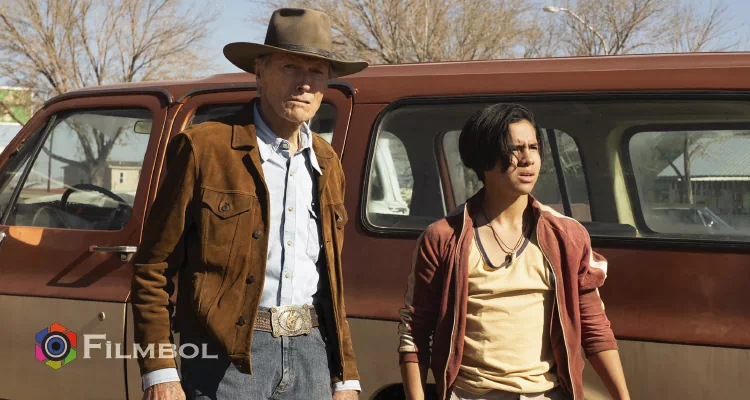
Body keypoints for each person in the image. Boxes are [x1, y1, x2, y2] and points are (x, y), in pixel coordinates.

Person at [130, 8, 368, 400]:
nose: (305, 83)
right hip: (224, 360)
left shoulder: (326, 162)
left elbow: (331, 281)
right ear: (260, 71)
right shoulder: (204, 148)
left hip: (311, 352)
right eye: (291, 67)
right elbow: (152, 268)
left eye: (317, 72)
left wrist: (346, 377)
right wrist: (159, 370)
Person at [397, 104, 630, 400]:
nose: (528, 159)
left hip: (546, 394)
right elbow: (414, 333)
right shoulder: (443, 238)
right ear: (484, 156)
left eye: (533, 147)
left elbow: (595, 328)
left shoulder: (567, 236)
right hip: (469, 394)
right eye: (514, 149)